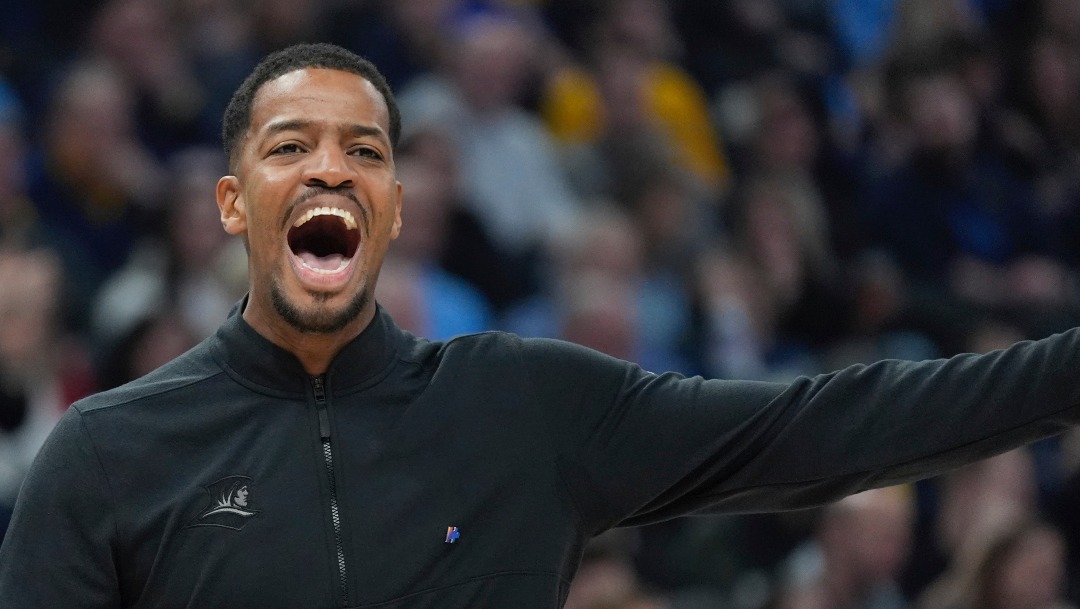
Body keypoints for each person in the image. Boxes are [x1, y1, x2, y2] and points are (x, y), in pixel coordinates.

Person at [3, 42, 1080, 608]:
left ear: (394, 211)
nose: (329, 166)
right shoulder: (109, 454)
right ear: (234, 205)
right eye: (289, 146)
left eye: (365, 152)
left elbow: (824, 424)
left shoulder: (524, 405)